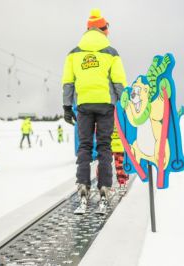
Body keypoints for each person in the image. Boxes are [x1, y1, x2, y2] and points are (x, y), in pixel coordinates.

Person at [62, 8, 127, 206]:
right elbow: (118, 81)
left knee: (84, 145)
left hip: (83, 105)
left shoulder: (74, 54)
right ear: (103, 30)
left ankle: (82, 184)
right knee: (104, 145)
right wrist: (122, 103)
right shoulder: (111, 53)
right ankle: (105, 186)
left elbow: (68, 82)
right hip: (106, 105)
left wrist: (67, 106)